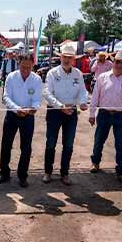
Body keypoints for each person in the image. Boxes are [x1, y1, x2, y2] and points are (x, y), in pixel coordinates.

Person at [89, 49, 122, 185]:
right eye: (118, 61)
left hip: (121, 116)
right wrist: (91, 114)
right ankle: (95, 162)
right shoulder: (102, 77)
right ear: (113, 62)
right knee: (99, 140)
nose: (119, 65)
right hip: (104, 114)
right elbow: (95, 97)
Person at [42, 43, 89, 185]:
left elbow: (83, 91)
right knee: (51, 143)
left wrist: (83, 101)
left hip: (71, 112)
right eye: (64, 57)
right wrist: (60, 106)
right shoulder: (52, 73)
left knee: (68, 144)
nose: (67, 60)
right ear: (60, 57)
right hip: (54, 111)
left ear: (73, 59)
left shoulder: (78, 74)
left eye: (70, 57)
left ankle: (65, 173)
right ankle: (47, 172)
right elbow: (47, 93)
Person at [0, 54, 42, 187]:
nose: (25, 70)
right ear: (18, 64)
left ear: (33, 65)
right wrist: (17, 109)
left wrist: (33, 108)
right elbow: (6, 97)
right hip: (12, 115)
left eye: (28, 67)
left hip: (28, 116)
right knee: (6, 144)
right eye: (23, 67)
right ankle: (4, 173)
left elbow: (37, 99)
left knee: (26, 147)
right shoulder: (11, 77)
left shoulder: (37, 79)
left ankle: (22, 176)